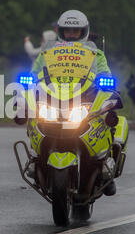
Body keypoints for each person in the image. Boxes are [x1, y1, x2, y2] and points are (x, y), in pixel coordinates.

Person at [30, 10, 116, 196]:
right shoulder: (48, 52)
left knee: (107, 118)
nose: (70, 35)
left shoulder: (96, 54)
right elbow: (35, 71)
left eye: (75, 31)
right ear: (61, 31)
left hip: (84, 98)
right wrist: (28, 81)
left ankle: (106, 170)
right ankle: (37, 162)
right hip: (54, 99)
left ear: (83, 31)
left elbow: (105, 74)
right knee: (32, 115)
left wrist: (106, 81)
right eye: (67, 31)